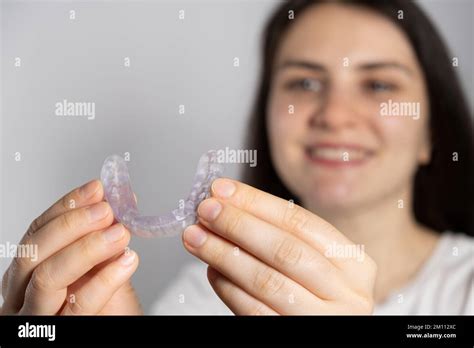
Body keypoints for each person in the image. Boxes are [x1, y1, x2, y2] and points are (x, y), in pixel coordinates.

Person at [1, 0, 472, 315]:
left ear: (432, 130)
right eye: (304, 83)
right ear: (267, 118)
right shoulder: (203, 290)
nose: (335, 115)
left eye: (378, 85)